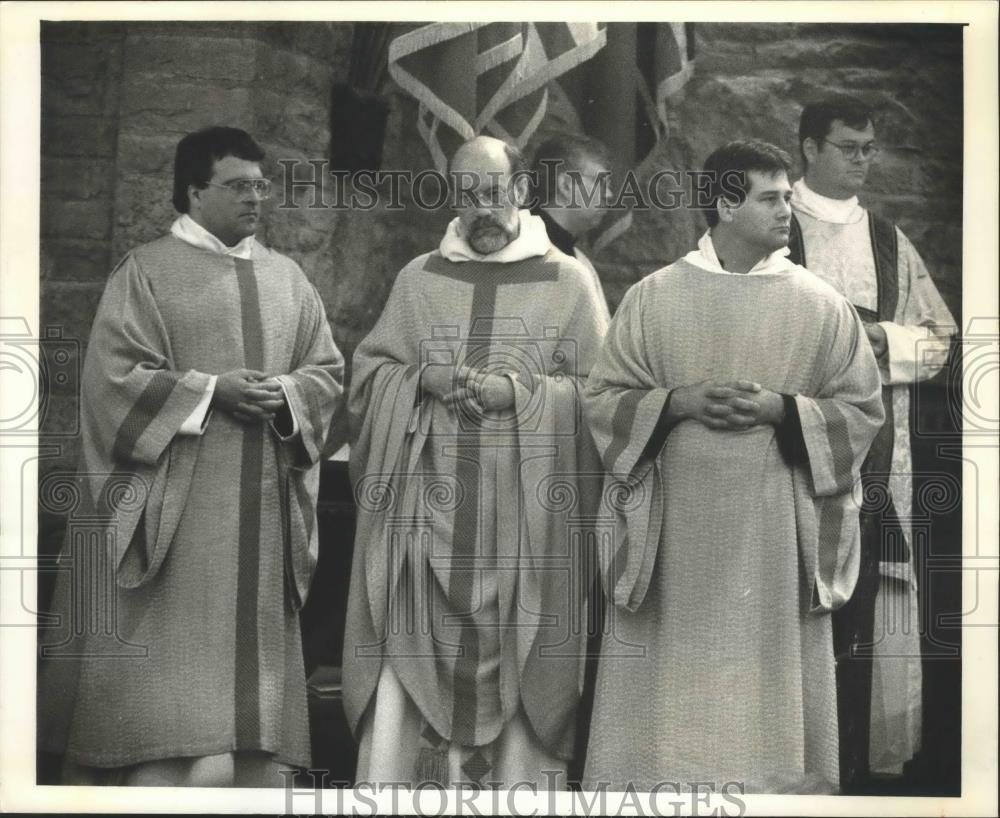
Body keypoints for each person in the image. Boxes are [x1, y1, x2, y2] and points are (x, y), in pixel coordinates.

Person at [37, 126, 345, 787]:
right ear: (193, 191)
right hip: (179, 525)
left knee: (252, 733)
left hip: (261, 522)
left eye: (261, 186)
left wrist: (287, 393)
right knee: (173, 723)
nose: (256, 198)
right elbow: (112, 380)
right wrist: (210, 392)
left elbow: (326, 373)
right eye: (238, 186)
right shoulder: (146, 272)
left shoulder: (289, 279)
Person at [581, 140, 885, 793]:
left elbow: (862, 412)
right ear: (725, 204)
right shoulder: (653, 298)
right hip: (674, 547)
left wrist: (783, 408)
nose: (788, 210)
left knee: (761, 700)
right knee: (669, 706)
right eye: (772, 197)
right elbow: (601, 402)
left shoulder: (820, 305)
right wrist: (676, 402)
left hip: (771, 543)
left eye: (786, 197)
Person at [343, 135, 609, 789]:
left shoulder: (569, 282)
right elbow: (369, 378)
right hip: (423, 532)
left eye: (492, 193)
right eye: (466, 195)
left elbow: (608, 402)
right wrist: (423, 380)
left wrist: (520, 395)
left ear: (522, 191)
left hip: (526, 537)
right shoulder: (420, 278)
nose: (479, 209)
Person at [790, 96, 957, 787]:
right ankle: (796, 753)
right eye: (848, 146)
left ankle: (864, 763)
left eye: (869, 148)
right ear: (808, 148)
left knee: (878, 599)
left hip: (879, 452)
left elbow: (941, 339)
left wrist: (885, 337)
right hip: (795, 443)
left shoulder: (889, 240)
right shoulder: (773, 221)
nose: (863, 159)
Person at [530, 133, 613, 322]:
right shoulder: (521, 251)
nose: (609, 194)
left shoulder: (581, 262)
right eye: (601, 183)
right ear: (566, 185)